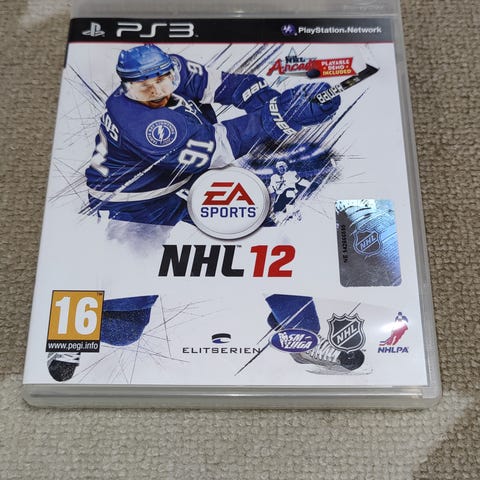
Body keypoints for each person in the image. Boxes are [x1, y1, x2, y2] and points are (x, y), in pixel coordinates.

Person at [85, 44, 340, 227]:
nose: (157, 91)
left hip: (176, 179)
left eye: (162, 79)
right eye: (144, 86)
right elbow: (219, 146)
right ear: (127, 85)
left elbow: (227, 85)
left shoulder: (173, 68)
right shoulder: (143, 125)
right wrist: (285, 114)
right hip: (132, 204)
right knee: (135, 278)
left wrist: (279, 102)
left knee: (261, 230)